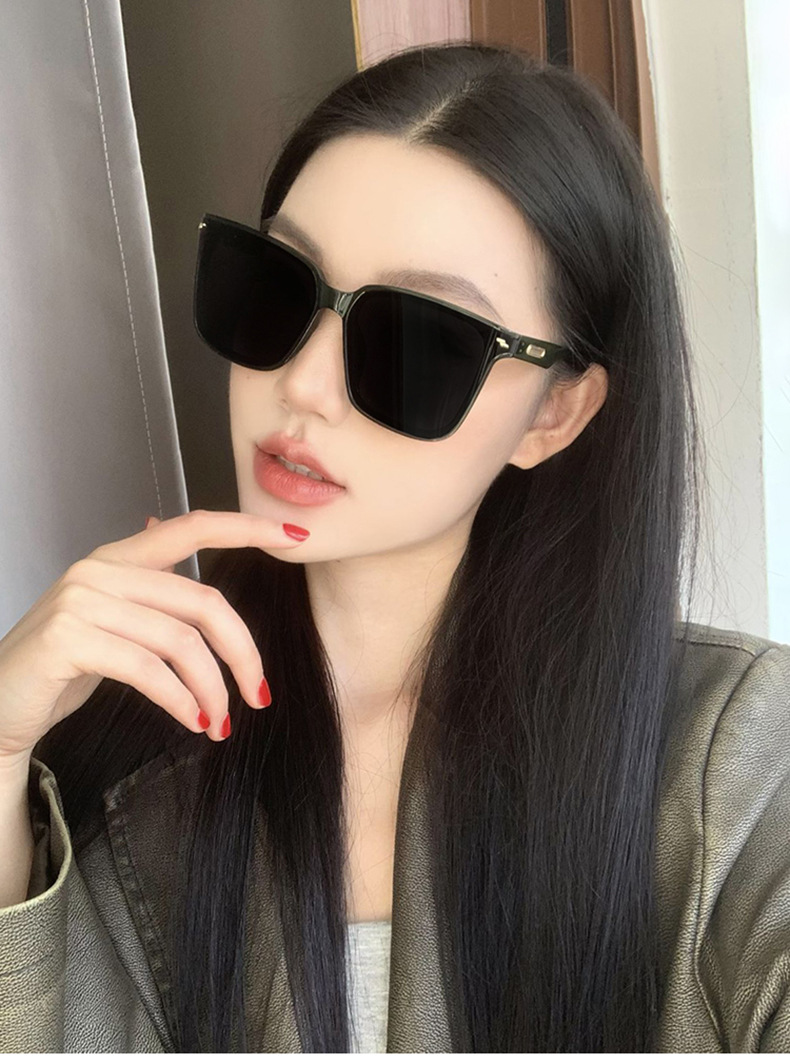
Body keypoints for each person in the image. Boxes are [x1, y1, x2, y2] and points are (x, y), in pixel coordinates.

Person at [1, 41, 789, 1054]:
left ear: (555, 412)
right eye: (277, 287)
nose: (303, 384)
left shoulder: (738, 759)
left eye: (417, 341)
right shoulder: (126, 755)